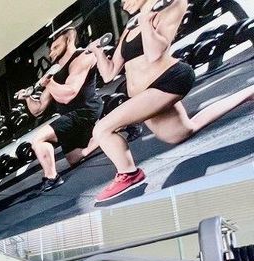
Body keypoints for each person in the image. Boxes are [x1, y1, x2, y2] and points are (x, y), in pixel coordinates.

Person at [89, 0, 254, 202]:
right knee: (182, 132)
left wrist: (146, 21)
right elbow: (110, 73)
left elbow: (154, 54)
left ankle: (129, 173)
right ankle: (249, 93)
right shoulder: (130, 26)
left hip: (169, 80)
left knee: (101, 129)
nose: (123, 4)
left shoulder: (171, 6)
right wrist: (97, 51)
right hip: (145, 93)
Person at [17, 26, 103, 192]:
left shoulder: (82, 57)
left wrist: (49, 83)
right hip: (70, 116)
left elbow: (69, 94)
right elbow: (38, 110)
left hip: (86, 111)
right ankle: (109, 130)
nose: (51, 53)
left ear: (69, 40)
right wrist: (28, 97)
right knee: (73, 158)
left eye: (55, 47)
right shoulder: (55, 71)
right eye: (50, 50)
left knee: (38, 139)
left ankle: (52, 178)